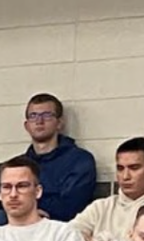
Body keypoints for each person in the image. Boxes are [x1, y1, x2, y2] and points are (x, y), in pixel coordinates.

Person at [9, 92, 97, 222]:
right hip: (21, 225)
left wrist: (31, 212)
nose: (39, 121)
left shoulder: (80, 160)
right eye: (33, 116)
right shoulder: (18, 165)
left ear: (59, 123)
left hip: (61, 227)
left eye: (47, 115)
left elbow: (72, 205)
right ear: (26, 126)